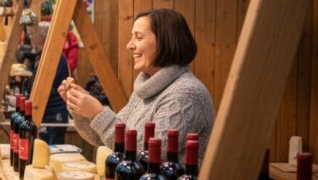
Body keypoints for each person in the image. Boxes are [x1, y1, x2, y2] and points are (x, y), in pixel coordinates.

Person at [59, 8, 215, 160]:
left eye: (139, 37)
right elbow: (108, 140)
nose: (130, 45)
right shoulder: (146, 87)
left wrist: (98, 113)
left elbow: (145, 156)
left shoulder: (186, 94)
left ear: (166, 42)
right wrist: (79, 107)